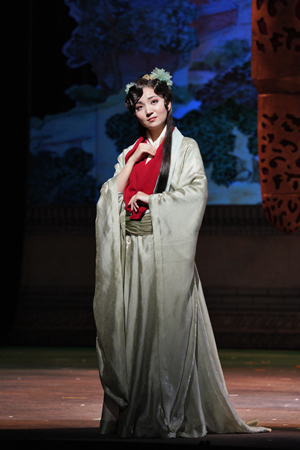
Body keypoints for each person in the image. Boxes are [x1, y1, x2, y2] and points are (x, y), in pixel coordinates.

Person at [93, 68, 270, 438]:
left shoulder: (185, 148)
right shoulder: (131, 152)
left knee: (166, 331)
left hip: (165, 254)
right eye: (140, 106)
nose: (148, 111)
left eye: (155, 102)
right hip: (132, 255)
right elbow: (109, 197)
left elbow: (194, 194)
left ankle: (168, 409)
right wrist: (130, 164)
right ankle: (135, 408)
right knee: (133, 332)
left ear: (169, 104)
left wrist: (153, 201)